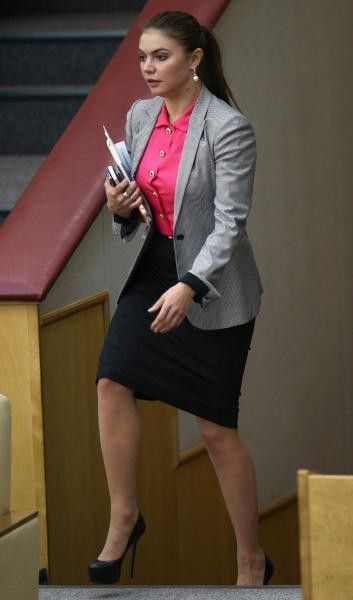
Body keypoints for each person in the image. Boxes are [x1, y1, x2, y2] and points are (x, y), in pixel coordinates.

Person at [88, 10, 273, 587]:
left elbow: (230, 224)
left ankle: (251, 559)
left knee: (216, 430)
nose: (147, 68)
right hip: (155, 268)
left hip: (213, 284)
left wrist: (190, 284)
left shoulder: (228, 127)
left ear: (194, 60)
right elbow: (140, 206)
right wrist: (119, 209)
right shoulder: (140, 116)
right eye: (143, 57)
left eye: (160, 56)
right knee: (111, 380)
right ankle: (125, 517)